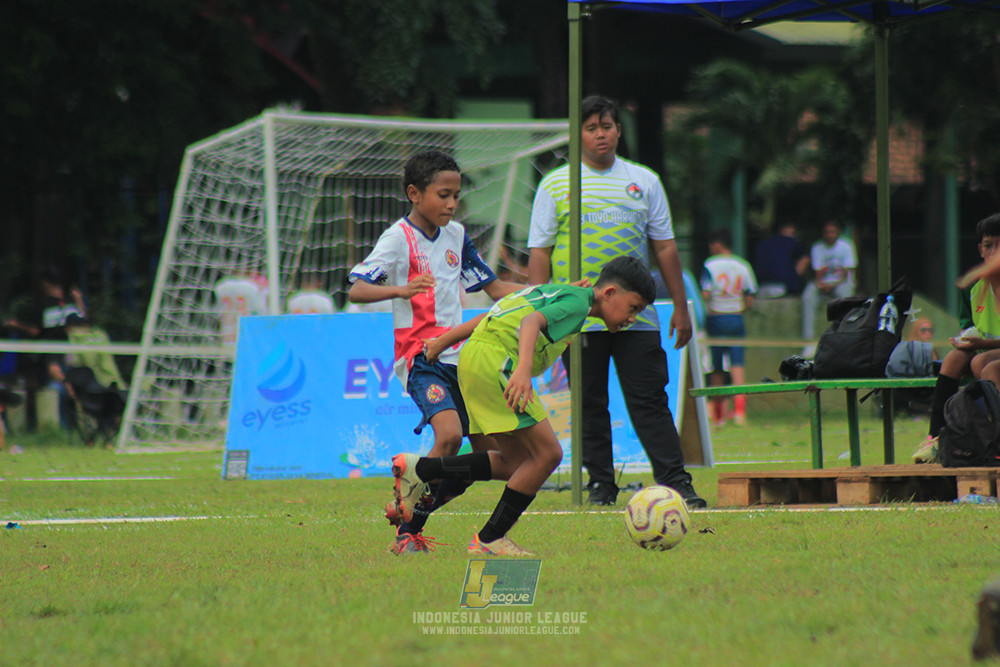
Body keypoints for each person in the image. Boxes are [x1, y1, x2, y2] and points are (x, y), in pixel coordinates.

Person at [392, 256, 655, 556]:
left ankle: (421, 476)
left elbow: (495, 315)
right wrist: (523, 369)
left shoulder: (561, 294)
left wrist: (443, 342)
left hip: (475, 359)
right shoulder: (577, 303)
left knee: (515, 462)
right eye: (633, 308)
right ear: (609, 293)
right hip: (497, 362)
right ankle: (488, 536)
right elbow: (531, 322)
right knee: (548, 454)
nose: (632, 318)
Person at [527, 95, 705, 509]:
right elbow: (539, 251)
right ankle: (601, 484)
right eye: (591, 128)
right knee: (589, 403)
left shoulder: (645, 181)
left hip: (636, 317)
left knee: (650, 400)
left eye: (606, 126)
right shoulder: (556, 184)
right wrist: (539, 308)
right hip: (578, 317)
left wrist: (680, 306)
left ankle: (676, 482)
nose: (600, 135)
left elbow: (665, 247)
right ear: (578, 135)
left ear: (619, 131)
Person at [347, 149, 522, 555]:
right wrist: (399, 289)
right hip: (421, 358)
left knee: (486, 460)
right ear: (414, 193)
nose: (452, 203)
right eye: (443, 195)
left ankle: (407, 509)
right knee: (450, 436)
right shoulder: (398, 238)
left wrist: (553, 291)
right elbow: (357, 289)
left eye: (456, 196)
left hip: (464, 361)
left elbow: (496, 290)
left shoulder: (456, 236)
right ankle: (407, 533)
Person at [912, 213, 1000, 463]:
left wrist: (983, 345)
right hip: (988, 348)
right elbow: (969, 324)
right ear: (980, 250)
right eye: (988, 245)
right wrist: (967, 339)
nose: (994, 252)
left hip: (990, 352)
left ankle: (991, 439)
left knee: (984, 364)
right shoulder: (974, 286)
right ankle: (935, 438)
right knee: (953, 358)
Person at [4, 268, 87, 431]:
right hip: (73, 351)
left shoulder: (42, 306)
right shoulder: (71, 303)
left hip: (51, 351)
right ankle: (72, 423)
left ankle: (59, 424)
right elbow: (84, 322)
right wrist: (79, 300)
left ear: (45, 284)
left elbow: (34, 331)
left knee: (52, 387)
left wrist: (15, 325)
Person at [700, 228, 758, 426]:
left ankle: (718, 416)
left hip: (716, 318)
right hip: (736, 318)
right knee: (737, 366)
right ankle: (740, 412)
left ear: (717, 244)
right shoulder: (742, 265)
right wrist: (739, 308)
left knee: (716, 368)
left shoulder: (710, 265)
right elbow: (750, 295)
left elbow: (705, 293)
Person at [801, 220, 857, 356]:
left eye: (832, 232)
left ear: (837, 233)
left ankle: (843, 340)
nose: (829, 235)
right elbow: (818, 272)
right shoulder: (817, 247)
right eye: (826, 232)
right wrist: (821, 284)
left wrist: (832, 285)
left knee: (845, 298)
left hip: (841, 283)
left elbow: (846, 274)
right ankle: (809, 342)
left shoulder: (846, 246)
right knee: (807, 297)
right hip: (824, 283)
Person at [753, 221, 809, 298]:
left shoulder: (762, 243)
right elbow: (805, 257)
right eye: (793, 233)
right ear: (782, 230)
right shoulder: (791, 242)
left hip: (759, 288)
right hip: (781, 287)